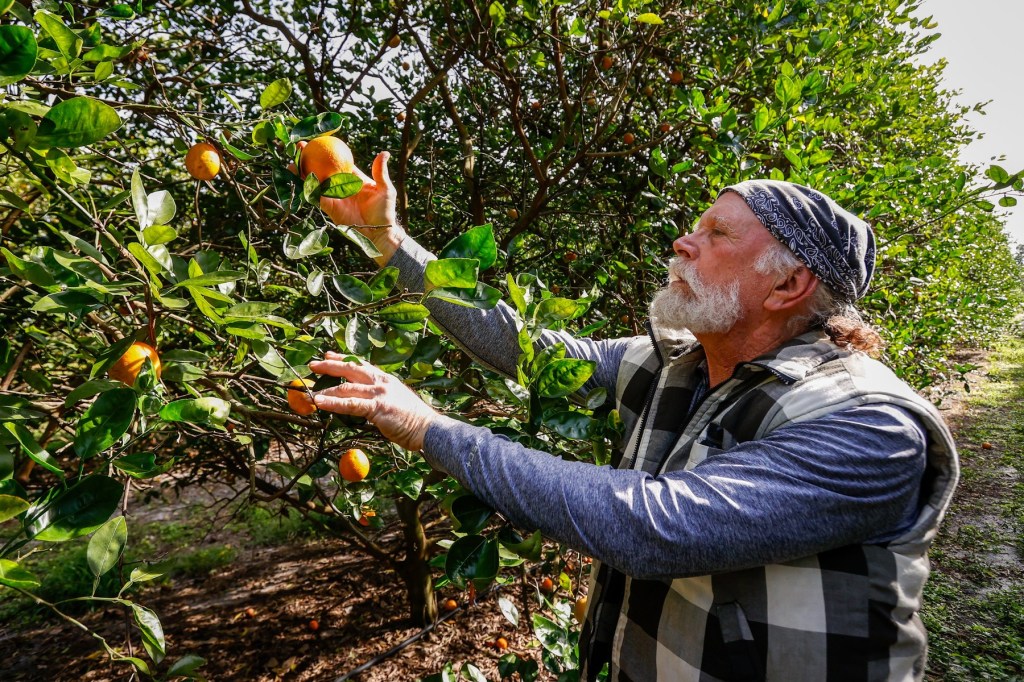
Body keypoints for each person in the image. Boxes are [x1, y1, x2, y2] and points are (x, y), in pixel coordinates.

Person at [307, 152, 959, 681]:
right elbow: (521, 348)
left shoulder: (872, 425)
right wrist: (388, 241)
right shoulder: (671, 363)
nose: (684, 240)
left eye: (717, 234)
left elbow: (653, 528)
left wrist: (429, 427)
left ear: (788, 286)